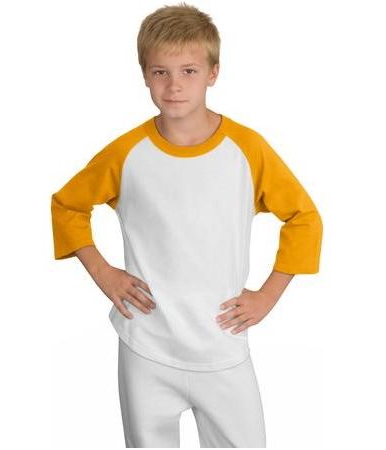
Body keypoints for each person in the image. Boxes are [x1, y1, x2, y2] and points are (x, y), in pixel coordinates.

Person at [50, 2, 323, 448]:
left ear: (213, 73)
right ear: (144, 75)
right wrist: (103, 272)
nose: (174, 85)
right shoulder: (126, 153)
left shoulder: (247, 149)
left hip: (222, 344)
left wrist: (269, 294)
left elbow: (304, 218)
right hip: (146, 345)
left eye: (188, 71)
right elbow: (66, 205)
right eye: (160, 72)